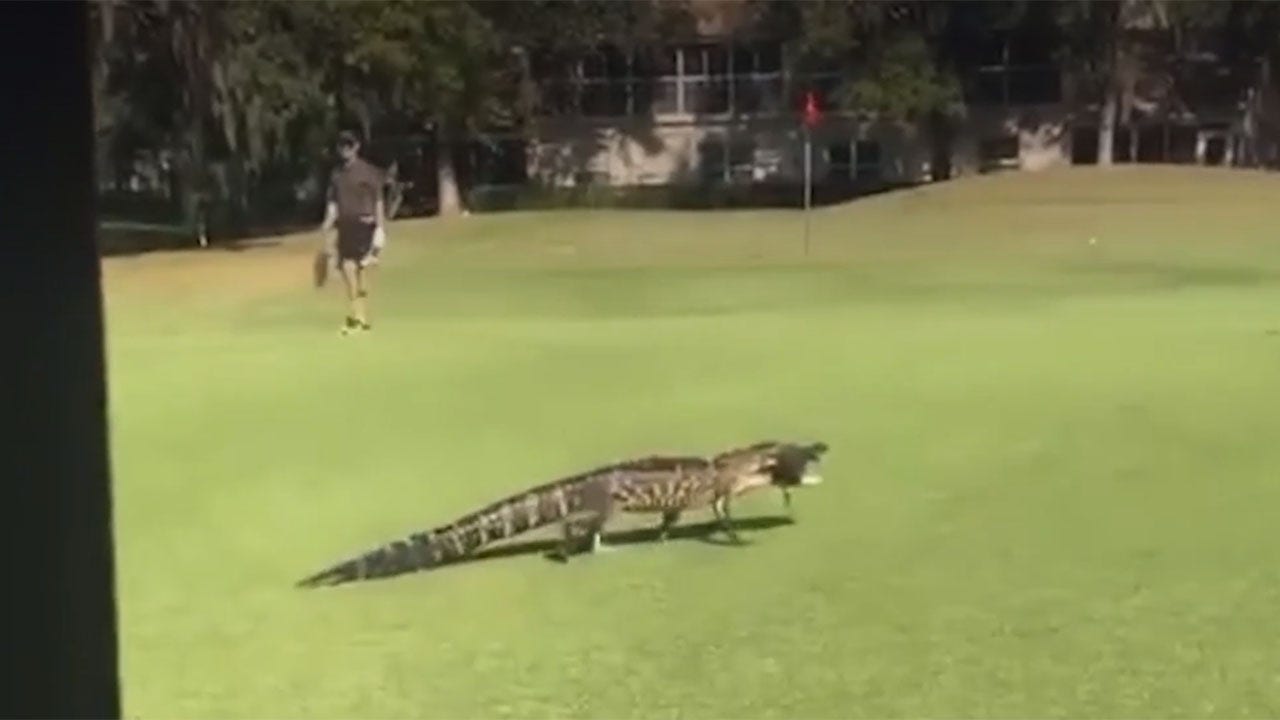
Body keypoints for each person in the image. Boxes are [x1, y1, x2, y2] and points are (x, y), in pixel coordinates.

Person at [318, 130, 386, 335]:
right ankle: (357, 315)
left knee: (362, 270)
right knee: (348, 269)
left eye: (349, 145)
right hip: (345, 226)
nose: (345, 150)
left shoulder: (368, 172)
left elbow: (378, 201)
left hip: (365, 224)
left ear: (356, 146)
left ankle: (362, 314)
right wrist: (327, 223)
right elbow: (333, 203)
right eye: (342, 146)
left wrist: (381, 227)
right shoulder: (337, 175)